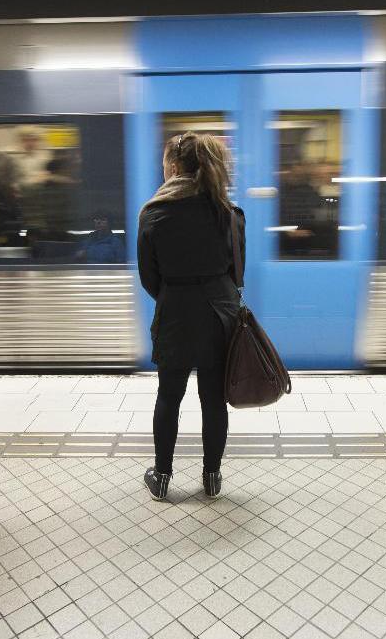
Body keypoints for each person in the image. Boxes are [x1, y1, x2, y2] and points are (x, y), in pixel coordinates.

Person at [137, 132, 244, 500]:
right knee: (213, 399)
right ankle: (212, 478)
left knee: (169, 396)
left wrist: (176, 296)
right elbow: (237, 271)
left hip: (176, 315)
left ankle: (162, 478)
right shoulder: (228, 213)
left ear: (173, 166)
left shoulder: (153, 213)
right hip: (220, 314)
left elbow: (149, 278)